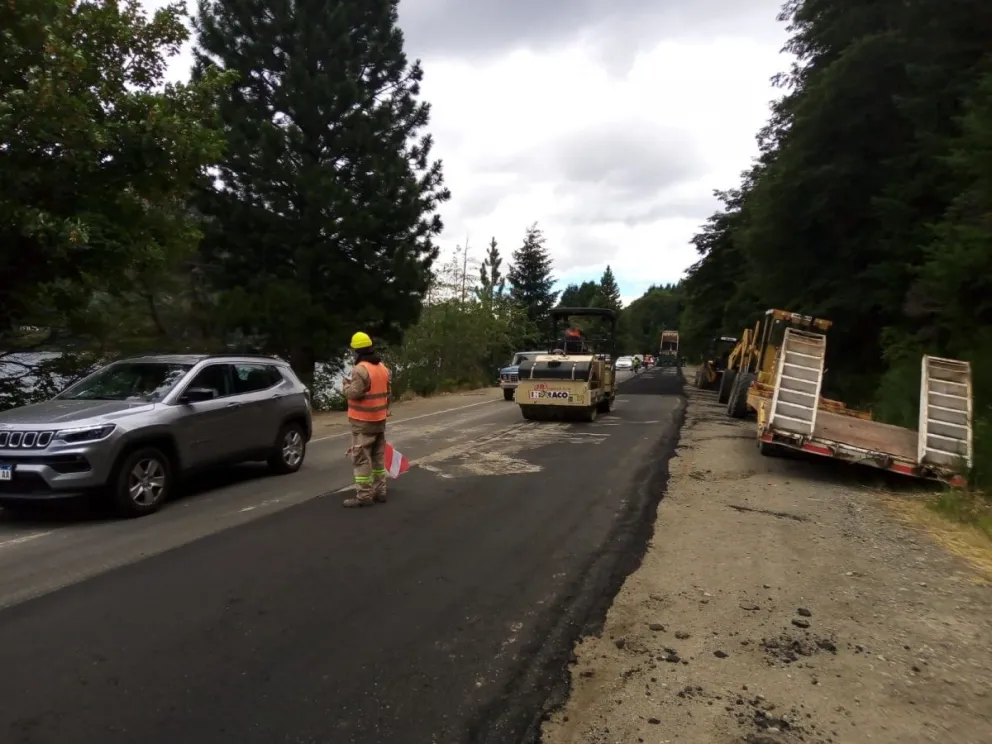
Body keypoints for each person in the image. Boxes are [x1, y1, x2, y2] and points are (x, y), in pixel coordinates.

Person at [341, 331, 391, 508]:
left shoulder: (360, 369)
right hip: (379, 419)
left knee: (361, 458)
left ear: (357, 351)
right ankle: (381, 491)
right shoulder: (382, 368)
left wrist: (345, 386)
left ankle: (364, 496)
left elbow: (354, 393)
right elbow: (387, 393)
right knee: (378, 458)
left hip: (363, 421)